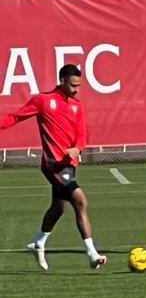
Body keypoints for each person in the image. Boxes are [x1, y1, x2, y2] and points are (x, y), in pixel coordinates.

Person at [0, 65, 107, 270]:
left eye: (79, 86)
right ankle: (91, 253)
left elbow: (82, 134)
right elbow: (15, 117)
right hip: (52, 164)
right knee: (80, 200)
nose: (76, 90)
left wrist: (78, 148)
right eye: (73, 85)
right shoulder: (43, 100)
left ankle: (39, 241)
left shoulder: (78, 105)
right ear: (62, 80)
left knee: (58, 207)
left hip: (69, 165)